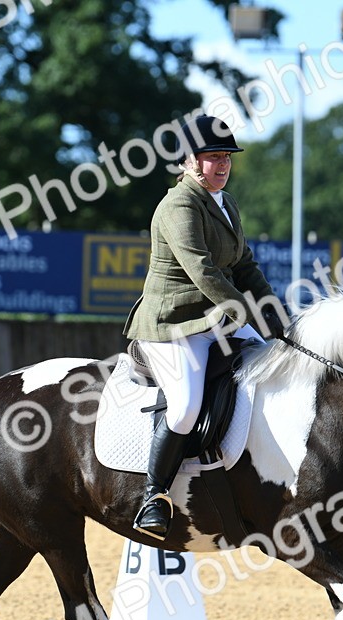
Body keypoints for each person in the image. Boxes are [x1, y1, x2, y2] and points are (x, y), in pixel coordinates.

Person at [123, 115, 287, 537]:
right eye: (213, 157)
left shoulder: (226, 203)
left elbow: (244, 264)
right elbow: (203, 271)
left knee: (276, 366)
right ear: (189, 161)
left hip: (218, 318)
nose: (222, 165)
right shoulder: (178, 205)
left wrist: (272, 310)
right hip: (174, 324)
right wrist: (246, 312)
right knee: (184, 407)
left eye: (226, 158)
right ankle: (152, 498)